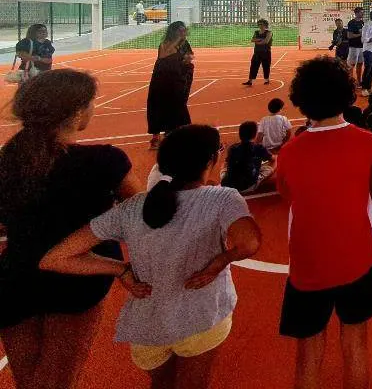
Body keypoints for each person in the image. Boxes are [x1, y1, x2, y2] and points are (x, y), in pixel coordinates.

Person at [40, 124, 260, 389]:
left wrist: (120, 269)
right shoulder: (222, 198)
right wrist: (219, 263)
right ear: (211, 159)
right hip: (202, 317)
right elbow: (249, 243)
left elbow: (55, 258)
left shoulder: (133, 207)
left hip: (148, 326)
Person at [0, 70, 136, 389]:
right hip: (77, 282)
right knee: (56, 382)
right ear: (76, 112)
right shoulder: (105, 161)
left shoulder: (8, 160)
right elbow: (143, 213)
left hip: (14, 278)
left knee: (30, 382)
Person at [276, 56, 372, 389]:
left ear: (302, 99)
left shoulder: (290, 152)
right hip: (358, 258)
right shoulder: (368, 143)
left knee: (308, 352)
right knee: (355, 345)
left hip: (308, 265)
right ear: (346, 94)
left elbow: (287, 197)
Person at [147, 21, 194, 149]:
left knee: (178, 105)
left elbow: (190, 57)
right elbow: (165, 55)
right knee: (156, 105)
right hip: (161, 79)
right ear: (174, 32)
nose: (184, 33)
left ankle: (172, 132)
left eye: (184, 31)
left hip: (177, 78)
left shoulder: (184, 44)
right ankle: (155, 138)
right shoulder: (165, 44)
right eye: (181, 31)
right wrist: (178, 41)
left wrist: (187, 59)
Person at [221, 121, 274, 194]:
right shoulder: (259, 148)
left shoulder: (232, 148)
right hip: (248, 186)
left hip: (228, 184)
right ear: (255, 135)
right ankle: (256, 183)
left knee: (225, 163)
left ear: (240, 134)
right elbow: (272, 159)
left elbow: (227, 162)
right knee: (273, 162)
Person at [243, 19, 273, 86]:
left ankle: (266, 80)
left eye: (261, 24)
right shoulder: (256, 32)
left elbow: (266, 41)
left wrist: (258, 41)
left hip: (266, 52)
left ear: (265, 25)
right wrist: (261, 40)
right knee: (253, 66)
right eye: (259, 24)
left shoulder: (269, 32)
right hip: (257, 52)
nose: (260, 26)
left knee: (266, 66)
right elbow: (252, 40)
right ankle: (250, 81)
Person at [346, 7, 366, 80]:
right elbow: (349, 35)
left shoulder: (362, 22)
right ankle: (350, 80)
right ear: (356, 13)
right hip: (354, 47)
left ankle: (359, 80)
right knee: (351, 65)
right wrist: (360, 34)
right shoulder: (351, 22)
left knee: (360, 64)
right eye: (361, 12)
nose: (363, 13)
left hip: (362, 47)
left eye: (363, 12)